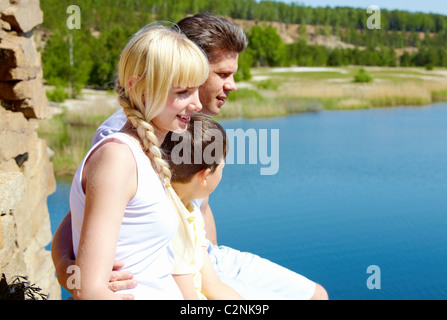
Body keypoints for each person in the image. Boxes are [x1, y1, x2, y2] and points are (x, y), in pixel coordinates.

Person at [52, 13, 328, 300]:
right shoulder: (122, 147)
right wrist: (68, 271)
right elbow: (80, 217)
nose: (232, 85)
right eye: (222, 74)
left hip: (206, 261)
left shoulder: (186, 124)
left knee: (316, 295)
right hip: (184, 272)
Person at [68, 24, 209, 299]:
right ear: (139, 89)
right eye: (183, 92)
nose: (197, 104)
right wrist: (68, 269)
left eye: (197, 90)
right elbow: (90, 289)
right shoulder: (118, 158)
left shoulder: (144, 151)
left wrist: (63, 263)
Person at [163, 112, 243, 300]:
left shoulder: (190, 209)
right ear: (205, 176)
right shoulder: (171, 220)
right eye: (222, 167)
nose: (223, 170)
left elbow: (212, 284)